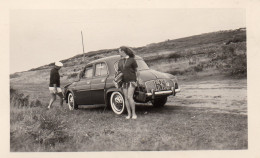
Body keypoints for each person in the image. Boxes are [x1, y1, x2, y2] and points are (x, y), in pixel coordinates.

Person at [117, 46, 140, 119]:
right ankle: (129, 114)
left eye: (119, 51)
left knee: (130, 97)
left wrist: (137, 80)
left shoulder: (132, 60)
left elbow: (137, 71)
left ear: (123, 51)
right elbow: (119, 72)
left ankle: (134, 114)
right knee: (126, 98)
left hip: (131, 81)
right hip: (124, 82)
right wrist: (117, 79)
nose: (119, 52)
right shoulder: (120, 61)